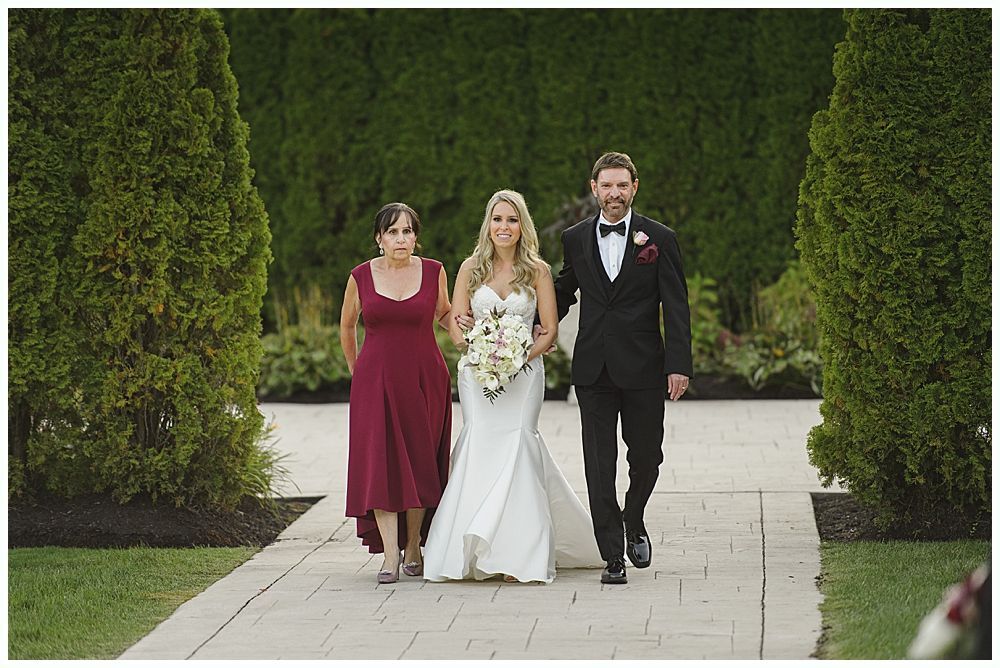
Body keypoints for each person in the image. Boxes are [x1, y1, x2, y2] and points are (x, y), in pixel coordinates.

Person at [422, 190, 603, 584]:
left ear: (523, 226)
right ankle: (471, 552)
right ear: (488, 224)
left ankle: (517, 554)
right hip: (478, 377)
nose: (504, 227)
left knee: (519, 444)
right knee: (480, 445)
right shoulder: (470, 268)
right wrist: (478, 348)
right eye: (498, 219)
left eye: (512, 220)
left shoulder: (536, 270)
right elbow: (455, 326)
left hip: (523, 376)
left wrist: (518, 357)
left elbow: (550, 329)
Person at [544, 151, 693, 584]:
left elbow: (677, 306)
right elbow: (565, 288)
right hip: (593, 369)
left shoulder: (659, 238)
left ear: (634, 187)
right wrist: (526, 317)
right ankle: (612, 554)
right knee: (598, 462)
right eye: (606, 185)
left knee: (647, 457)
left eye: (622, 185)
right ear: (594, 188)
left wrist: (678, 364)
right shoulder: (575, 238)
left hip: (645, 368)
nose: (614, 193)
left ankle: (634, 517)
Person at [340, 202, 453, 584]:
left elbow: (444, 314)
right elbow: (346, 327)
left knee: (421, 461)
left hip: (425, 379)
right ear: (379, 239)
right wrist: (359, 373)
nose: (400, 239)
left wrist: (484, 338)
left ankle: (414, 544)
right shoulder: (360, 276)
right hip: (375, 383)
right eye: (392, 232)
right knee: (381, 465)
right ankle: (390, 555)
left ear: (416, 238)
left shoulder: (435, 271)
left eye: (407, 231)